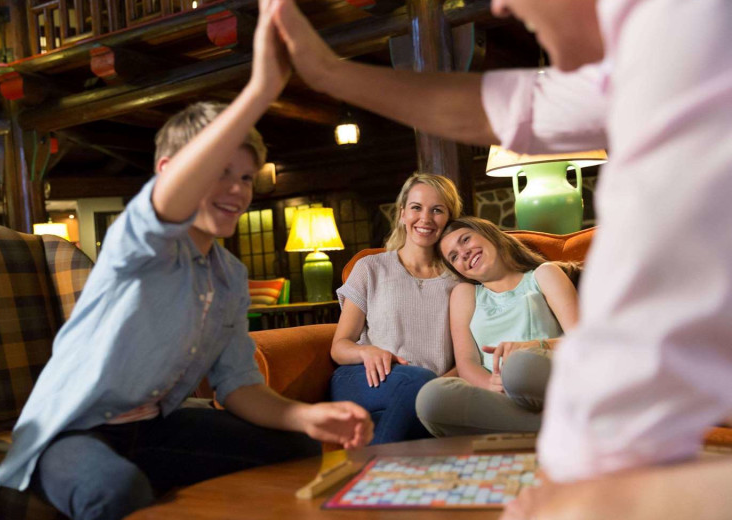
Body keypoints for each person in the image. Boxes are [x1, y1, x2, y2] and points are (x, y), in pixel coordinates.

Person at [274, 0, 732, 515]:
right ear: (403, 214)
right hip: (454, 386)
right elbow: (497, 106)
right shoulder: (614, 80)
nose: (498, 5)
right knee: (433, 395)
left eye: (452, 225)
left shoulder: (687, 34)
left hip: (564, 383)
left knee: (483, 378)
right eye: (447, 244)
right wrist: (328, 72)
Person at [0, 2, 373, 519]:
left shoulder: (229, 275)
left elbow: (238, 385)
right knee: (115, 492)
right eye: (221, 171)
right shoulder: (139, 241)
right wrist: (260, 89)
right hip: (68, 432)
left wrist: (308, 416)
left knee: (301, 452)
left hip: (154, 430)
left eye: (245, 177)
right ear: (173, 171)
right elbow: (166, 200)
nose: (237, 190)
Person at [416, 216, 578, 437]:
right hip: (499, 394)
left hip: (544, 377)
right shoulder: (465, 294)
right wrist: (490, 384)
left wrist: (535, 345)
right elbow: (467, 363)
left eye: (465, 240)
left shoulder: (543, 274)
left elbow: (585, 342)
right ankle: (560, 429)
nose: (462, 253)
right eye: (453, 257)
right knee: (431, 398)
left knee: (518, 367)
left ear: (489, 234)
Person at [331, 173, 462, 444]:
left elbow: (466, 358)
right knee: (419, 387)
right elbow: (339, 347)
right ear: (402, 214)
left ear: (449, 219)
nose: (425, 218)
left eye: (437, 210)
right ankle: (376, 472)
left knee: (423, 398)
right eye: (416, 208)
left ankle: (377, 474)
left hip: (429, 387)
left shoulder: (459, 281)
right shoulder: (370, 268)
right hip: (365, 380)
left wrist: (438, 388)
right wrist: (366, 351)